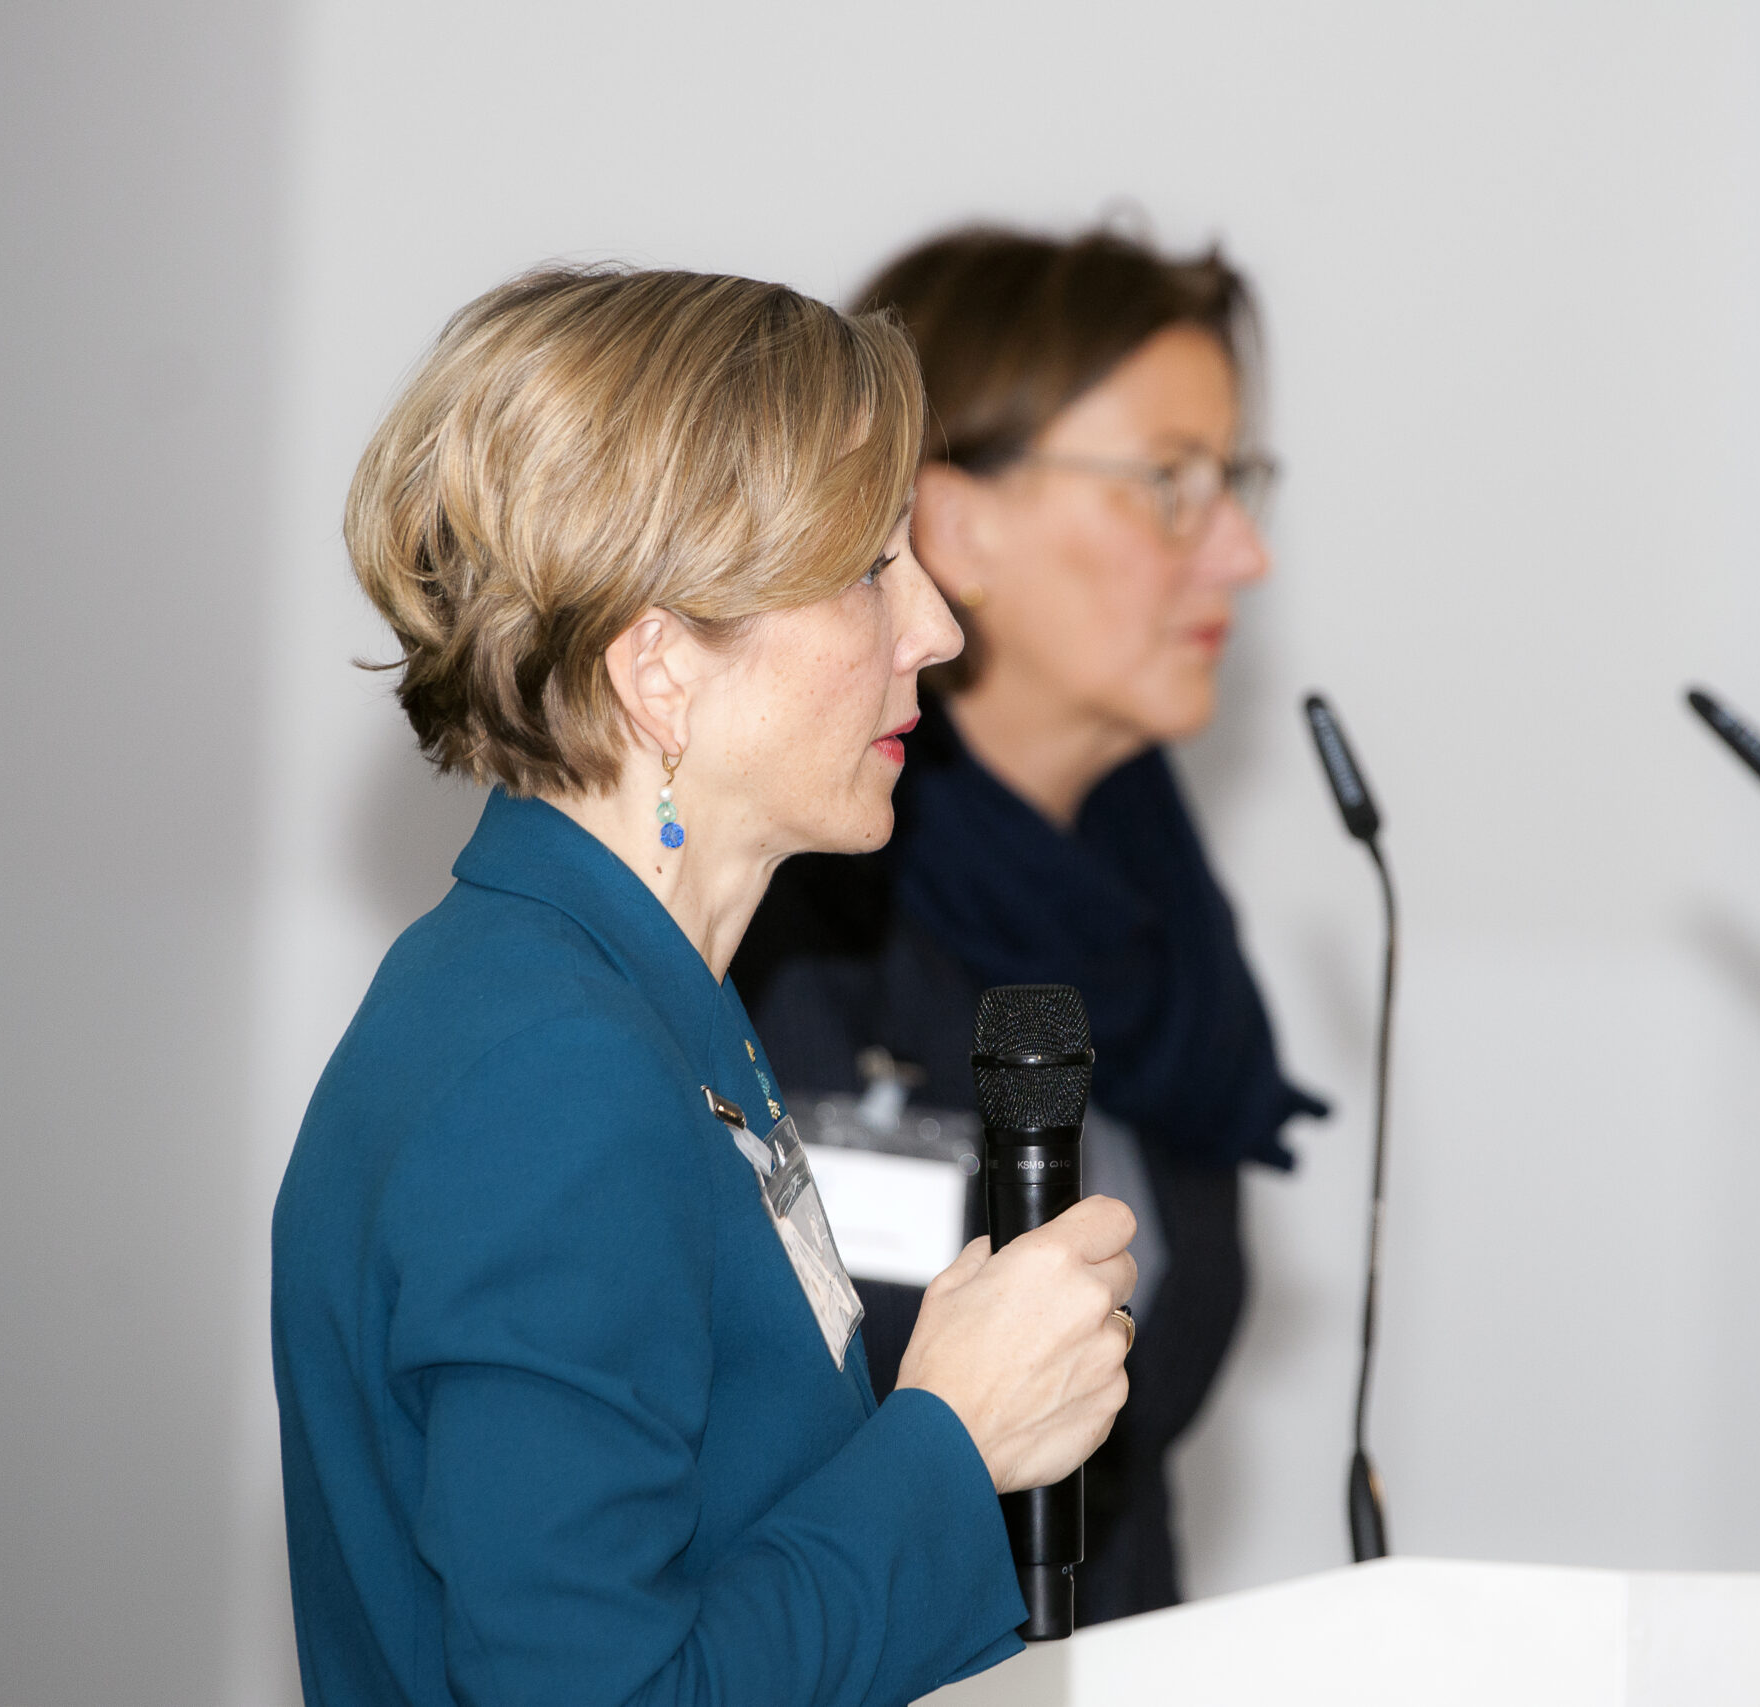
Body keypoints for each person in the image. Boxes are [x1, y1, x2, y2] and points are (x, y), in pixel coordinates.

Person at [271, 265, 1139, 1707]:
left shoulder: (620, 1000)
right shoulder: (549, 1075)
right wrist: (950, 1438)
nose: (938, 628)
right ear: (660, 669)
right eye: (871, 568)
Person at [731, 227, 1324, 1625]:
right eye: (1169, 483)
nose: (1242, 551)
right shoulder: (776, 917)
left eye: (1235, 484)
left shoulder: (1159, 924)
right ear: (958, 525)